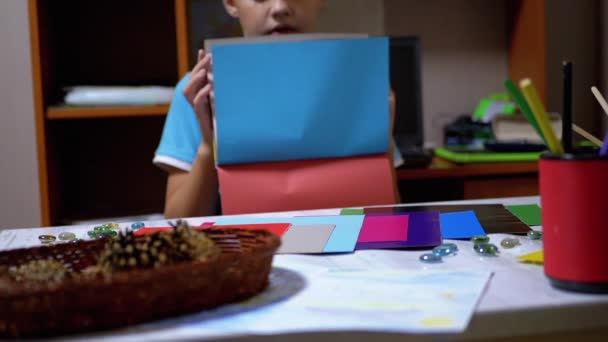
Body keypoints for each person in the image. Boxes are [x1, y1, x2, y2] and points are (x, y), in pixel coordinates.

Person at [154, 0, 396, 219]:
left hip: (345, 258)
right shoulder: (198, 93)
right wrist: (209, 145)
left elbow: (388, 212)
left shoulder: (357, 83)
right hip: (246, 256)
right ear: (230, 3)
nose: (280, 7)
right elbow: (177, 222)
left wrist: (381, 140)